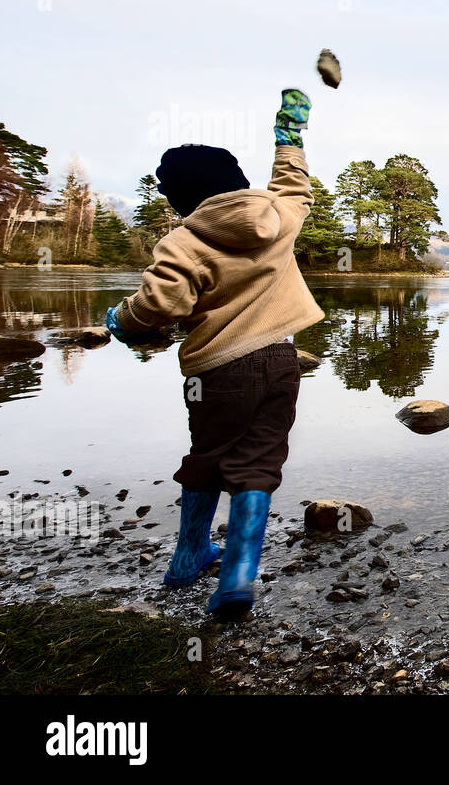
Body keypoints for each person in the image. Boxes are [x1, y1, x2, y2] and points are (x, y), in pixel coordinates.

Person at [105, 88, 324, 619]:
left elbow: (160, 304)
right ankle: (238, 577)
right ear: (237, 183)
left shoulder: (183, 242)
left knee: (207, 459)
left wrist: (120, 320)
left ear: (182, 199)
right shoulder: (277, 219)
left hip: (218, 370)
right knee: (258, 464)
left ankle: (188, 558)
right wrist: (288, 135)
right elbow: (295, 185)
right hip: (281, 362)